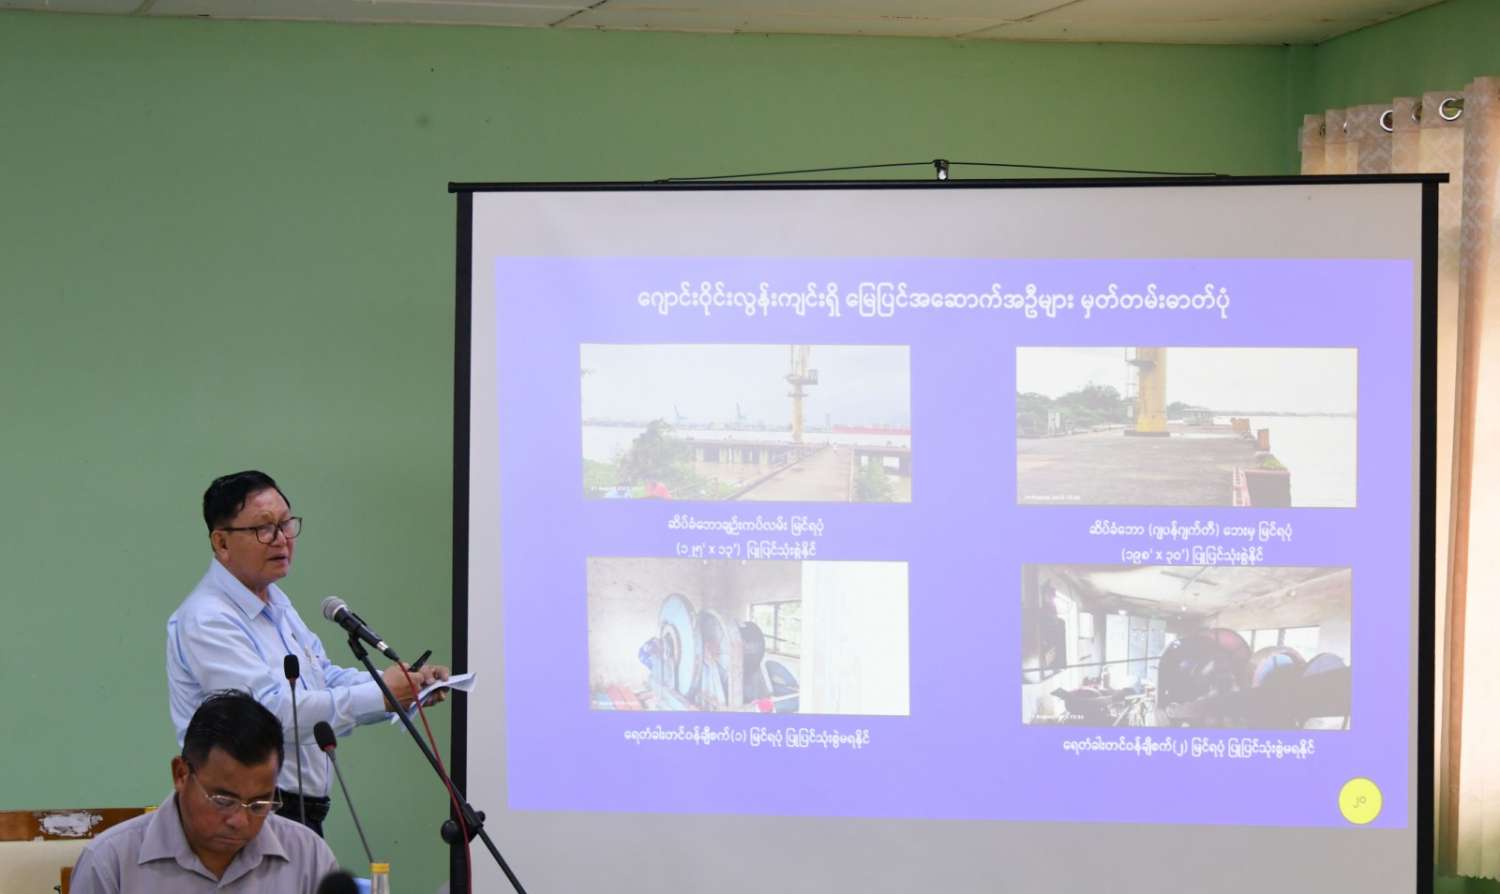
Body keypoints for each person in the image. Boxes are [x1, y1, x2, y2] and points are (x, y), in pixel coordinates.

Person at [167, 470, 450, 835]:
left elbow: (323, 678)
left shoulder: (276, 603)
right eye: (264, 528)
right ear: (221, 542)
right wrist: (382, 695)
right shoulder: (207, 619)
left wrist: (404, 687)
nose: (282, 539)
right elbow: (270, 715)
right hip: (244, 813)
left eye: (286, 524)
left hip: (296, 813)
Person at [70, 690, 340, 892]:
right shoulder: (111, 863)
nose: (239, 821)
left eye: (259, 804)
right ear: (181, 774)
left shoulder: (309, 857)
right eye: (224, 800)